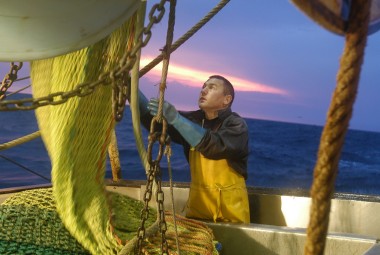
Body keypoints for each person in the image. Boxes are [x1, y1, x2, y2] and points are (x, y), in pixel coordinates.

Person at [137, 75, 250, 223]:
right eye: (204, 86)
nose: (203, 91)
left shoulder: (237, 125)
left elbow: (213, 146)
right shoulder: (192, 121)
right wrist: (131, 88)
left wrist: (176, 119)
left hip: (231, 216)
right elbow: (154, 122)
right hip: (197, 212)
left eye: (211, 87)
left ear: (226, 100)